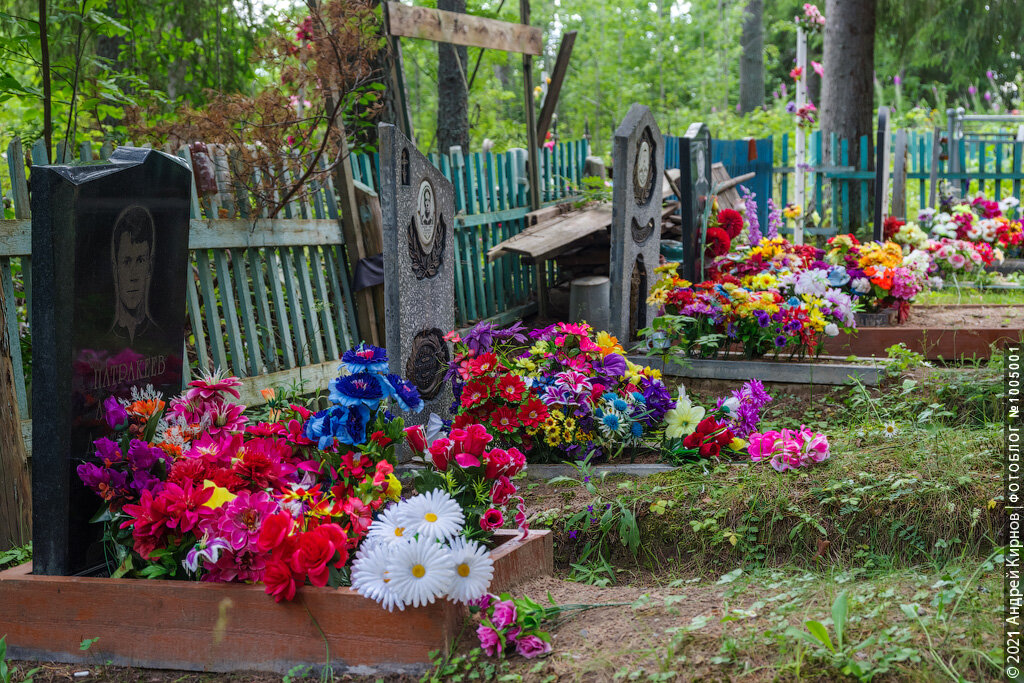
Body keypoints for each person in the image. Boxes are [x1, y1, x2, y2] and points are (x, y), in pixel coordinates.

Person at [109, 205, 160, 344]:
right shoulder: (99, 343)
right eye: (126, 261)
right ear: (115, 269)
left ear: (149, 266)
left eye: (140, 260)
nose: (133, 276)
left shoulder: (163, 339)